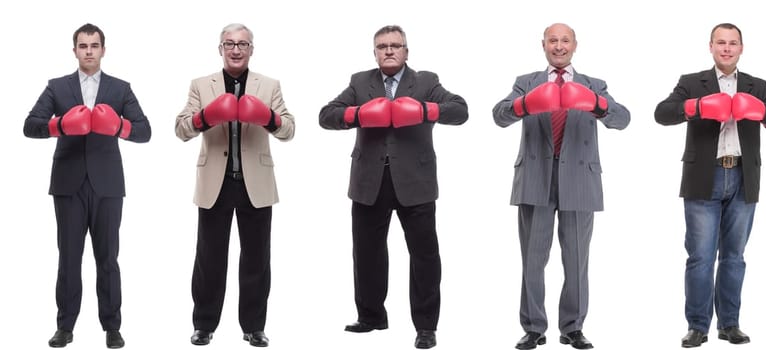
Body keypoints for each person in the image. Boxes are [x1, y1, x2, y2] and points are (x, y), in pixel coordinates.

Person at [319, 24, 467, 349]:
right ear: (374, 52)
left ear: (406, 51)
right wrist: (358, 114)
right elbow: (325, 115)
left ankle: (426, 326)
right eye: (382, 46)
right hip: (369, 182)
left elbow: (460, 109)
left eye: (395, 45)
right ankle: (371, 316)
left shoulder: (426, 81)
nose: (389, 50)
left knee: (425, 256)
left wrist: (426, 110)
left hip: (416, 183)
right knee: (367, 254)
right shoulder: (360, 82)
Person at [492, 22, 630, 350]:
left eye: (564, 40)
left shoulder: (593, 84)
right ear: (543, 45)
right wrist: (523, 103)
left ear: (575, 45)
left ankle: (573, 328)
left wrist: (596, 103)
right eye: (552, 40)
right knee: (532, 259)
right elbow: (499, 116)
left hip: (580, 180)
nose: (558, 46)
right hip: (535, 178)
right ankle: (533, 328)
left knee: (577, 259)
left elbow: (622, 119)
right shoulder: (526, 82)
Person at [654, 22, 766, 348]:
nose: (727, 48)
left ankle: (729, 324)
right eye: (721, 43)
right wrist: (697, 107)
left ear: (741, 48)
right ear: (711, 47)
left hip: (743, 176)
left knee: (734, 257)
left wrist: (764, 112)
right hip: (705, 176)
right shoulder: (692, 82)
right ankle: (697, 327)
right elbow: (662, 113)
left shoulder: (756, 85)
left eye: (733, 43)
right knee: (700, 256)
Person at [23, 23, 151, 349]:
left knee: (108, 258)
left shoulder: (120, 89)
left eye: (95, 45)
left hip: (108, 185)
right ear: (75, 50)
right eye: (83, 46)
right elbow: (30, 126)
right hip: (67, 184)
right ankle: (64, 327)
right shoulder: (57, 87)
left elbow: (145, 131)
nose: (89, 51)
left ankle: (112, 328)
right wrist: (60, 124)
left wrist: (119, 126)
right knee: (68, 258)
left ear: (103, 50)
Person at [173, 23, 295, 347]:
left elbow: (289, 129)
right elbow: (181, 129)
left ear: (252, 49)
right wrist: (204, 117)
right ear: (220, 49)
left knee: (256, 259)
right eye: (229, 43)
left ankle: (254, 327)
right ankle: (204, 325)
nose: (236, 49)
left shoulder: (269, 85)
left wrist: (268, 117)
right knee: (209, 259)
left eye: (243, 44)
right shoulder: (201, 85)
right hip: (216, 182)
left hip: (256, 182)